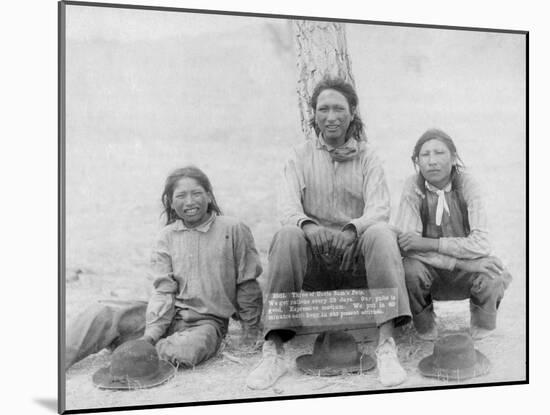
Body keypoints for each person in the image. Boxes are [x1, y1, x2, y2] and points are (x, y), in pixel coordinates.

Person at [246, 77, 412, 390]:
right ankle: (275, 350)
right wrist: (309, 226)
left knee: (380, 233)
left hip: (356, 261)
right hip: (315, 265)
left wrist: (352, 230)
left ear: (352, 114)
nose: (331, 116)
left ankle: (386, 346)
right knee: (286, 235)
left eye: (339, 108)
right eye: (324, 109)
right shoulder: (298, 156)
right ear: (313, 115)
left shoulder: (369, 156)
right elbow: (286, 207)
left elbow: (379, 208)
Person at [65, 166, 263, 370]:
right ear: (170, 202)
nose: (189, 202)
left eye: (196, 193)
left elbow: (247, 284)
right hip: (164, 319)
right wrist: (150, 336)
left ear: (210, 197)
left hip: (206, 325)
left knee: (184, 352)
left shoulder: (233, 229)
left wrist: (250, 332)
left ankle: (132, 353)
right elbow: (163, 290)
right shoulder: (166, 236)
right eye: (181, 196)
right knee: (102, 312)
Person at [394, 129, 511, 342]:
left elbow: (481, 243)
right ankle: (425, 323)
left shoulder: (468, 185)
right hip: (433, 273)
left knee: (494, 270)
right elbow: (407, 245)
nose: (432, 161)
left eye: (439, 153)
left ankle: (482, 320)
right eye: (425, 155)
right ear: (417, 161)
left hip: (466, 276)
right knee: (409, 268)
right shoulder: (413, 187)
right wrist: (464, 263)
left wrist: (429, 243)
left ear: (454, 157)